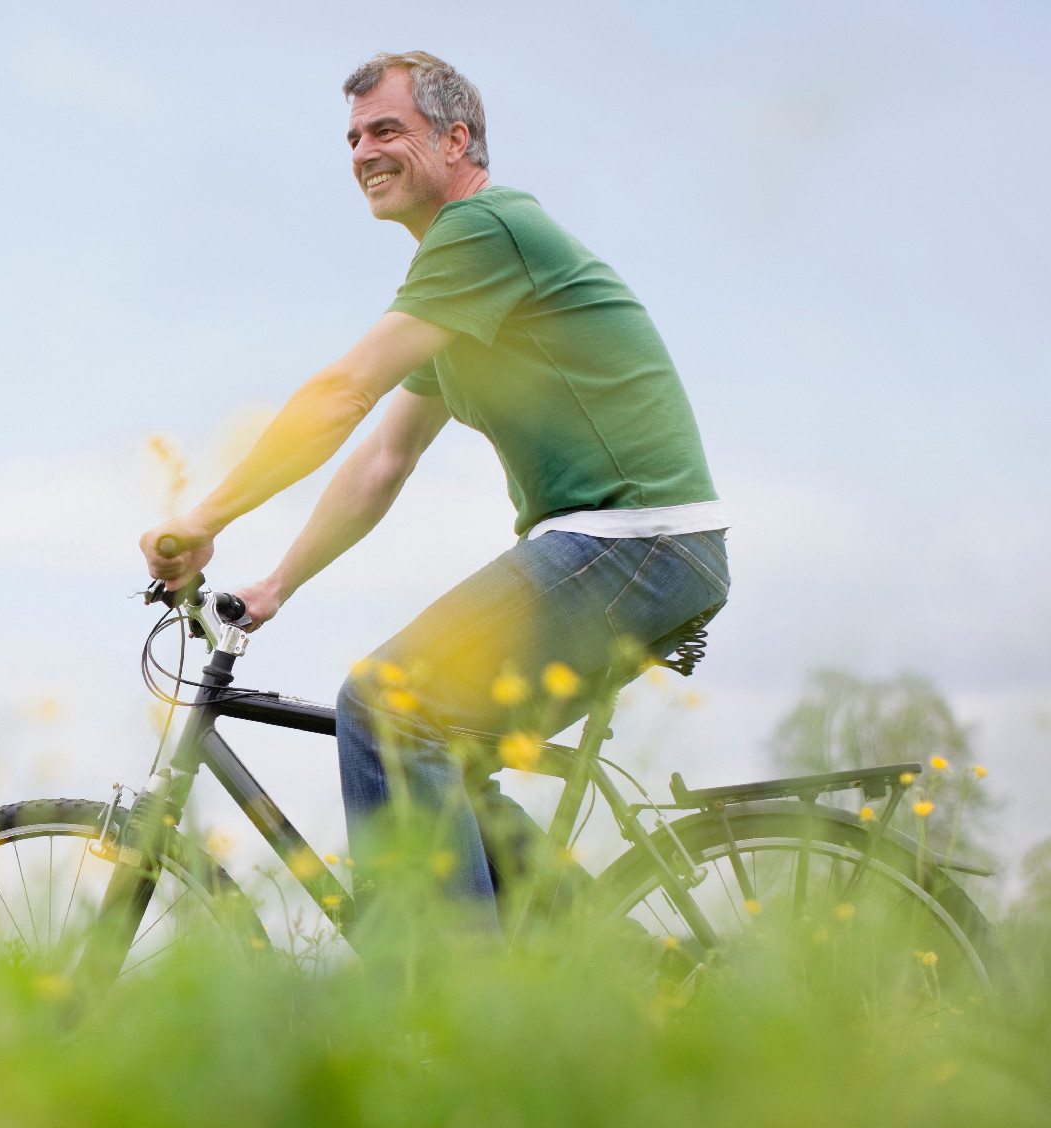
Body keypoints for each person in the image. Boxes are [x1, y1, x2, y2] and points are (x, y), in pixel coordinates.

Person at [140, 51, 730, 927]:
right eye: (352, 138)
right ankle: (595, 982)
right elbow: (384, 461)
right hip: (639, 549)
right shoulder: (462, 284)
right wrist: (277, 583)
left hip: (635, 541)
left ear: (456, 140)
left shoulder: (484, 231)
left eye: (386, 130)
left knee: (385, 704)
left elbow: (343, 393)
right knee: (439, 749)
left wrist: (205, 515)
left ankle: (444, 1021)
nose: (363, 152)